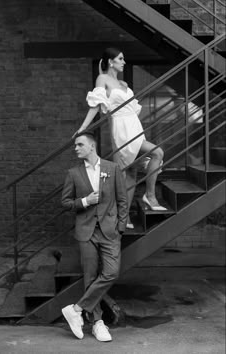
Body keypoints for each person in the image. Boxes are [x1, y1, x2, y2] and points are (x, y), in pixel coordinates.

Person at [76, 47, 166, 229]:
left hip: (134, 126)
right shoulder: (102, 79)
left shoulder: (124, 84)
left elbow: (131, 110)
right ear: (111, 61)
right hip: (120, 128)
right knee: (126, 174)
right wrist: (83, 128)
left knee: (156, 154)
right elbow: (96, 105)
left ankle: (149, 196)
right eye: (121, 59)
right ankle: (124, 218)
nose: (124, 62)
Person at [61, 131, 128, 342]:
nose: (76, 148)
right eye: (75, 146)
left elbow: (122, 200)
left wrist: (120, 227)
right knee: (90, 278)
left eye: (80, 145)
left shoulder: (112, 168)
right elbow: (65, 203)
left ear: (91, 146)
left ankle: (76, 309)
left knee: (111, 272)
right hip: (86, 232)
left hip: (109, 231)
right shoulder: (74, 173)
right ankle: (98, 323)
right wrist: (85, 201)